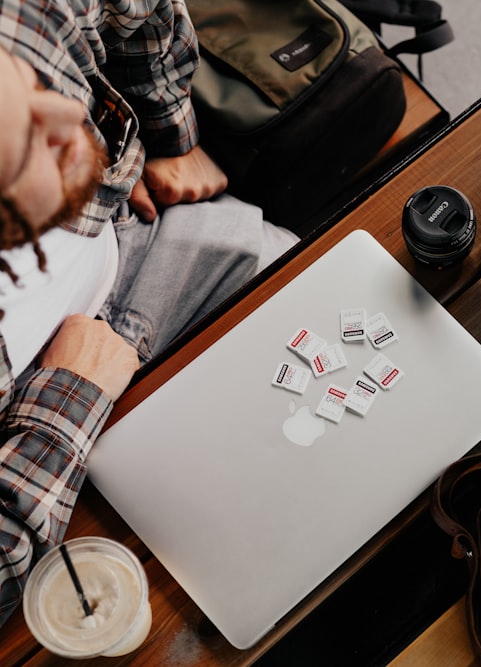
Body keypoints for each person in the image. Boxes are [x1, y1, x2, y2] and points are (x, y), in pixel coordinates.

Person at [0, 0, 298, 625]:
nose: (71, 114)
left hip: (138, 233)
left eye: (28, 86)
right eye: (23, 151)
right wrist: (68, 399)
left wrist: (169, 136)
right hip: (42, 426)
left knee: (321, 287)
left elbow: (135, 12)